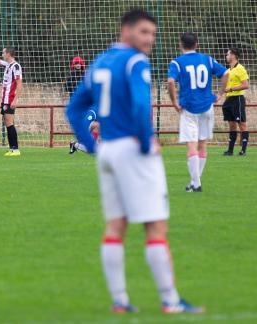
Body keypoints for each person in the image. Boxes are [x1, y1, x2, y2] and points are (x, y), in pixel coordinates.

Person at [66, 9, 203, 314]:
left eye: (153, 34)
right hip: (132, 149)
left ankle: (120, 301)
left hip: (109, 151)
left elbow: (74, 110)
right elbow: (141, 106)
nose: (149, 40)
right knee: (155, 226)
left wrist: (93, 147)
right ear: (125, 30)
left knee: (116, 225)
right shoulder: (135, 61)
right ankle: (170, 301)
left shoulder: (100, 62)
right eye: (144, 32)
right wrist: (145, 142)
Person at [167, 32, 229, 192]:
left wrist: (174, 102)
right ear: (197, 44)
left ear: (181, 44)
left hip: (189, 108)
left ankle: (196, 183)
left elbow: (170, 81)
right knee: (203, 144)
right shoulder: (207, 59)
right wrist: (221, 93)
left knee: (192, 145)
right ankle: (195, 182)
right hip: (207, 106)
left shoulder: (177, 62)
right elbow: (226, 73)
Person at [0, 41, 23, 156]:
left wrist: (15, 99)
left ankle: (15, 149)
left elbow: (19, 84)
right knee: (8, 123)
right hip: (5, 99)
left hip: (10, 98)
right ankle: (12, 148)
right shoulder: (8, 65)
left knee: (9, 122)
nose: (2, 54)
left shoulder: (16, 66)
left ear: (8, 54)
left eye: (3, 52)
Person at [222, 47, 250, 156]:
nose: (226, 56)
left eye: (228, 54)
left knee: (242, 124)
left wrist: (231, 89)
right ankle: (230, 150)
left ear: (233, 55)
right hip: (229, 100)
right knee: (231, 125)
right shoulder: (228, 70)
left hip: (238, 99)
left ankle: (243, 150)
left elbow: (246, 85)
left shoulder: (241, 68)